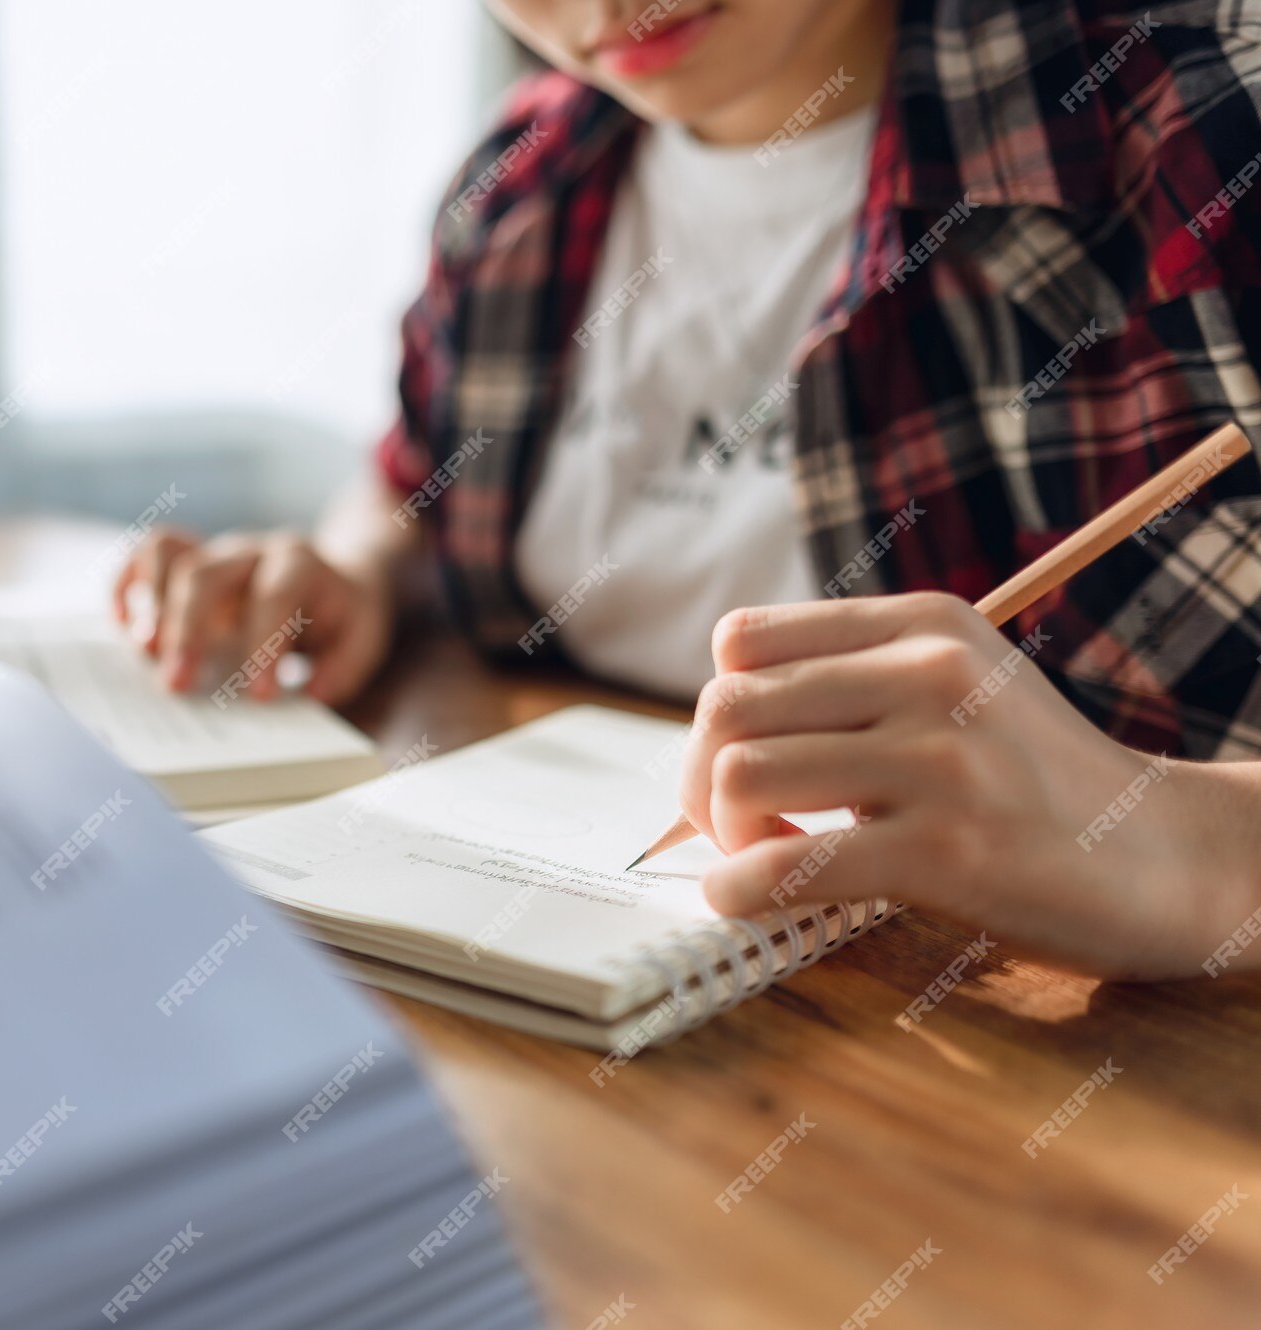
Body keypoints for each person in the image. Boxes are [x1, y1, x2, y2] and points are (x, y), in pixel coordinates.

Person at [112, 0, 1261, 980]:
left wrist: (1178, 848)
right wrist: (356, 566)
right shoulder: (521, 177)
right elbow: (413, 469)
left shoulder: (1200, 109)